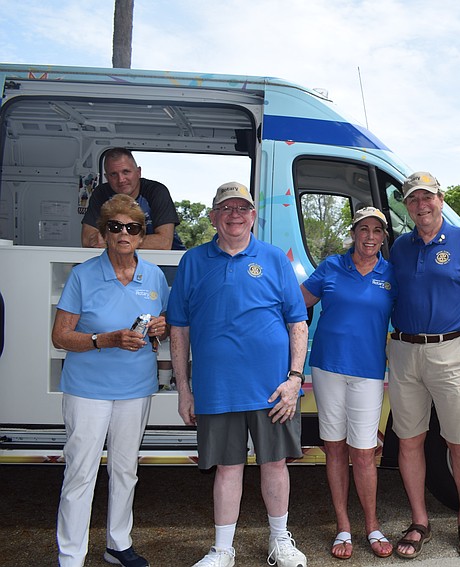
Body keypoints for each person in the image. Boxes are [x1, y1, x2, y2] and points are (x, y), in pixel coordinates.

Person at [167, 182, 309, 567]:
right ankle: (222, 550)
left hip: (272, 389)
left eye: (242, 208)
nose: (234, 214)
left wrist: (294, 379)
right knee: (227, 468)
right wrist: (184, 390)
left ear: (253, 217)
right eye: (226, 208)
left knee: (275, 464)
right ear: (213, 216)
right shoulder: (193, 262)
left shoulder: (275, 258)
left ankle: (280, 541)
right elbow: (178, 328)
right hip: (218, 389)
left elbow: (298, 321)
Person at [52, 194, 169, 567]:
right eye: (115, 227)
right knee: (81, 473)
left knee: (125, 470)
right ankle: (71, 556)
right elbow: (60, 337)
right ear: (104, 233)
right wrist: (105, 339)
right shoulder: (83, 275)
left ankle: (117, 544)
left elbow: (159, 329)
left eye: (132, 228)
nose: (124, 233)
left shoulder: (153, 276)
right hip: (87, 390)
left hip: (135, 389)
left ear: (141, 234)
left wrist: (159, 330)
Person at [387, 171, 460, 560]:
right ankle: (420, 522)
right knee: (410, 440)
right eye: (413, 199)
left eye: (426, 197)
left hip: (453, 351)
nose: (421, 205)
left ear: (441, 198)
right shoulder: (399, 247)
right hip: (403, 351)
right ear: (407, 205)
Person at [299, 207, 397, 560]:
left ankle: (371, 525)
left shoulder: (392, 274)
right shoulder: (331, 267)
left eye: (376, 231)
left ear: (383, 236)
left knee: (365, 452)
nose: (370, 237)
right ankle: (343, 527)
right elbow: (296, 302)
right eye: (363, 230)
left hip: (369, 372)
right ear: (353, 232)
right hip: (327, 368)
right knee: (335, 448)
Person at [82, 147, 185, 250]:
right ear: (106, 177)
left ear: (138, 172)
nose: (121, 179)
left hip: (167, 262)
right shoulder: (101, 193)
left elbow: (163, 243)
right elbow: (86, 239)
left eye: (126, 172)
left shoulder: (156, 191)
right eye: (113, 174)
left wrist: (115, 242)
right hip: (122, 260)